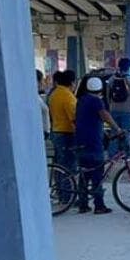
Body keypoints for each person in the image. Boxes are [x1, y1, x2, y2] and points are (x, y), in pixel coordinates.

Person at [75, 76, 122, 214]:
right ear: (100, 88)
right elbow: (105, 116)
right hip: (93, 142)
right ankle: (99, 205)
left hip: (80, 140)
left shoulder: (81, 100)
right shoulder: (97, 101)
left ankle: (83, 204)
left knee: (85, 173)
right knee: (97, 174)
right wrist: (117, 129)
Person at [49, 70, 78, 199]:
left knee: (59, 165)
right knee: (68, 166)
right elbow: (74, 117)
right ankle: (67, 196)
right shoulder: (67, 96)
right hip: (67, 133)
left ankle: (61, 193)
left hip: (56, 131)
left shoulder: (54, 94)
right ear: (72, 82)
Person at [106, 58, 130, 157]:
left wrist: (110, 108)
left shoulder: (111, 79)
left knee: (114, 133)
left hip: (114, 110)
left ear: (119, 66)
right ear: (129, 67)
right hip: (128, 110)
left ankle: (112, 154)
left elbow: (108, 96)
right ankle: (127, 154)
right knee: (126, 134)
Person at [36, 69, 51, 142]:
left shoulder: (37, 96)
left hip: (43, 133)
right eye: (42, 80)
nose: (43, 83)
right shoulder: (33, 99)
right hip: (39, 133)